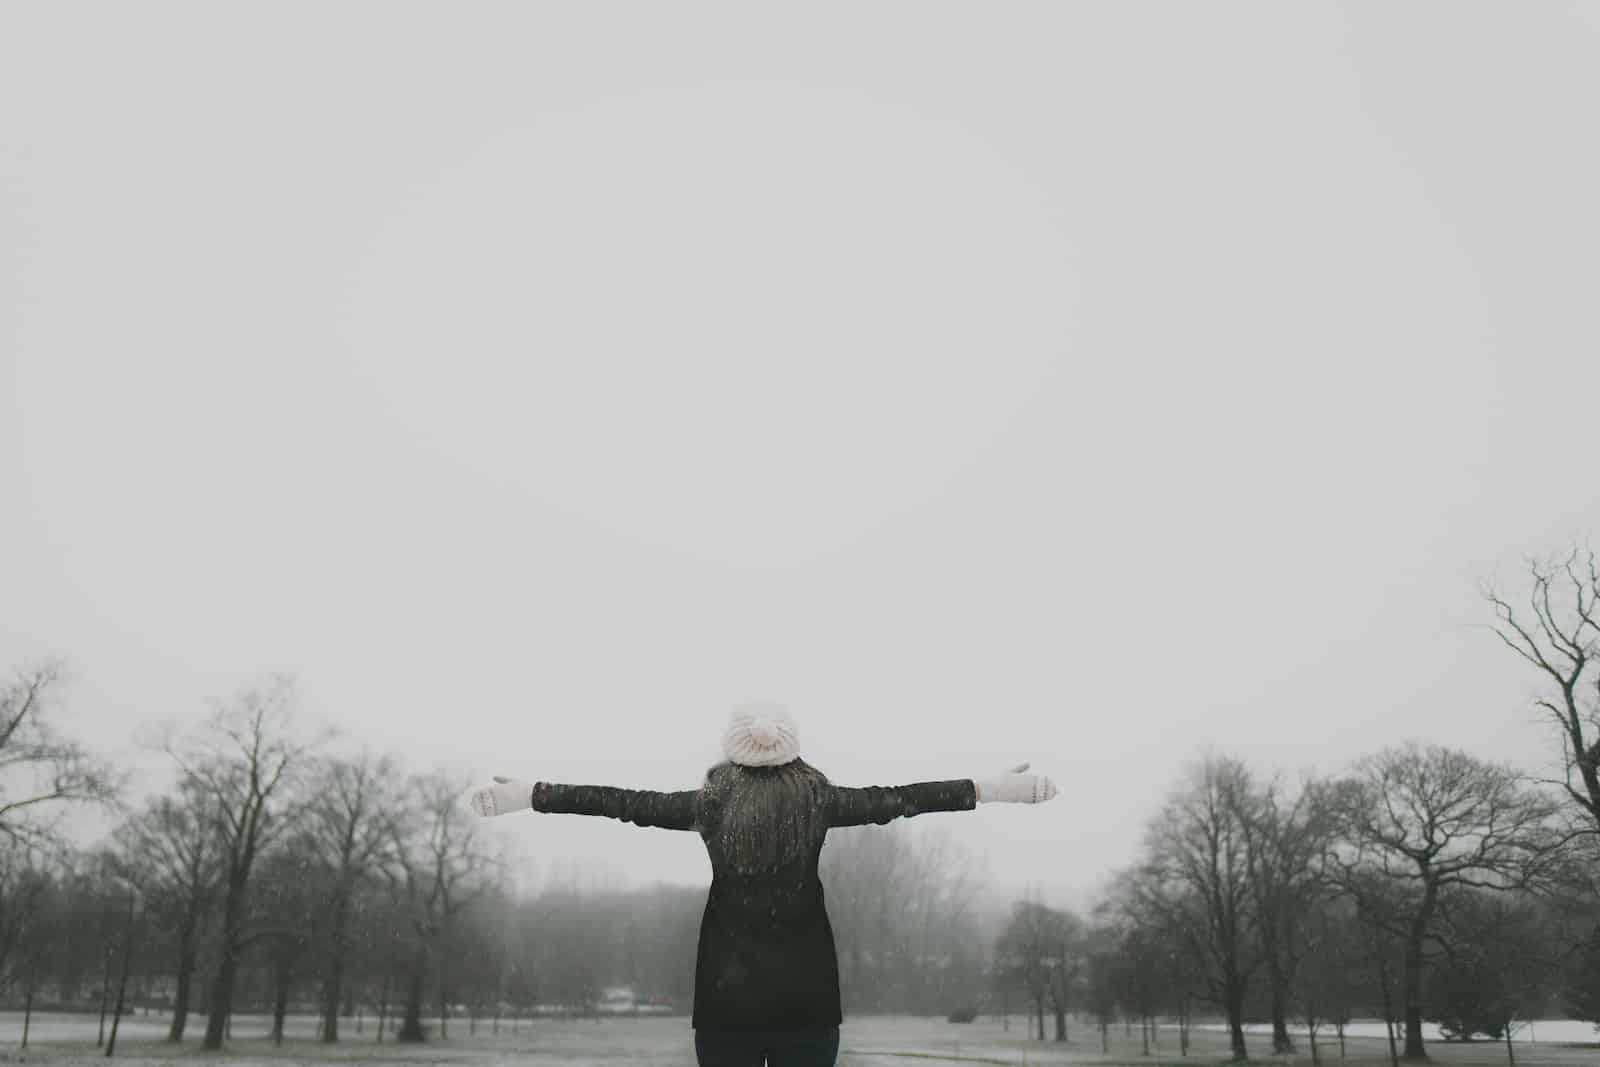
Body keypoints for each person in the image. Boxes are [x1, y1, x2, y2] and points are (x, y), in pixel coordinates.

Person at [469, 699, 1057, 1067]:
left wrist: (531, 795)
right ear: (791, 748)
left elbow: (619, 803)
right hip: (809, 1001)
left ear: (734, 752)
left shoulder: (711, 804)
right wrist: (993, 788)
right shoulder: (819, 799)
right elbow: (903, 801)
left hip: (726, 1004)